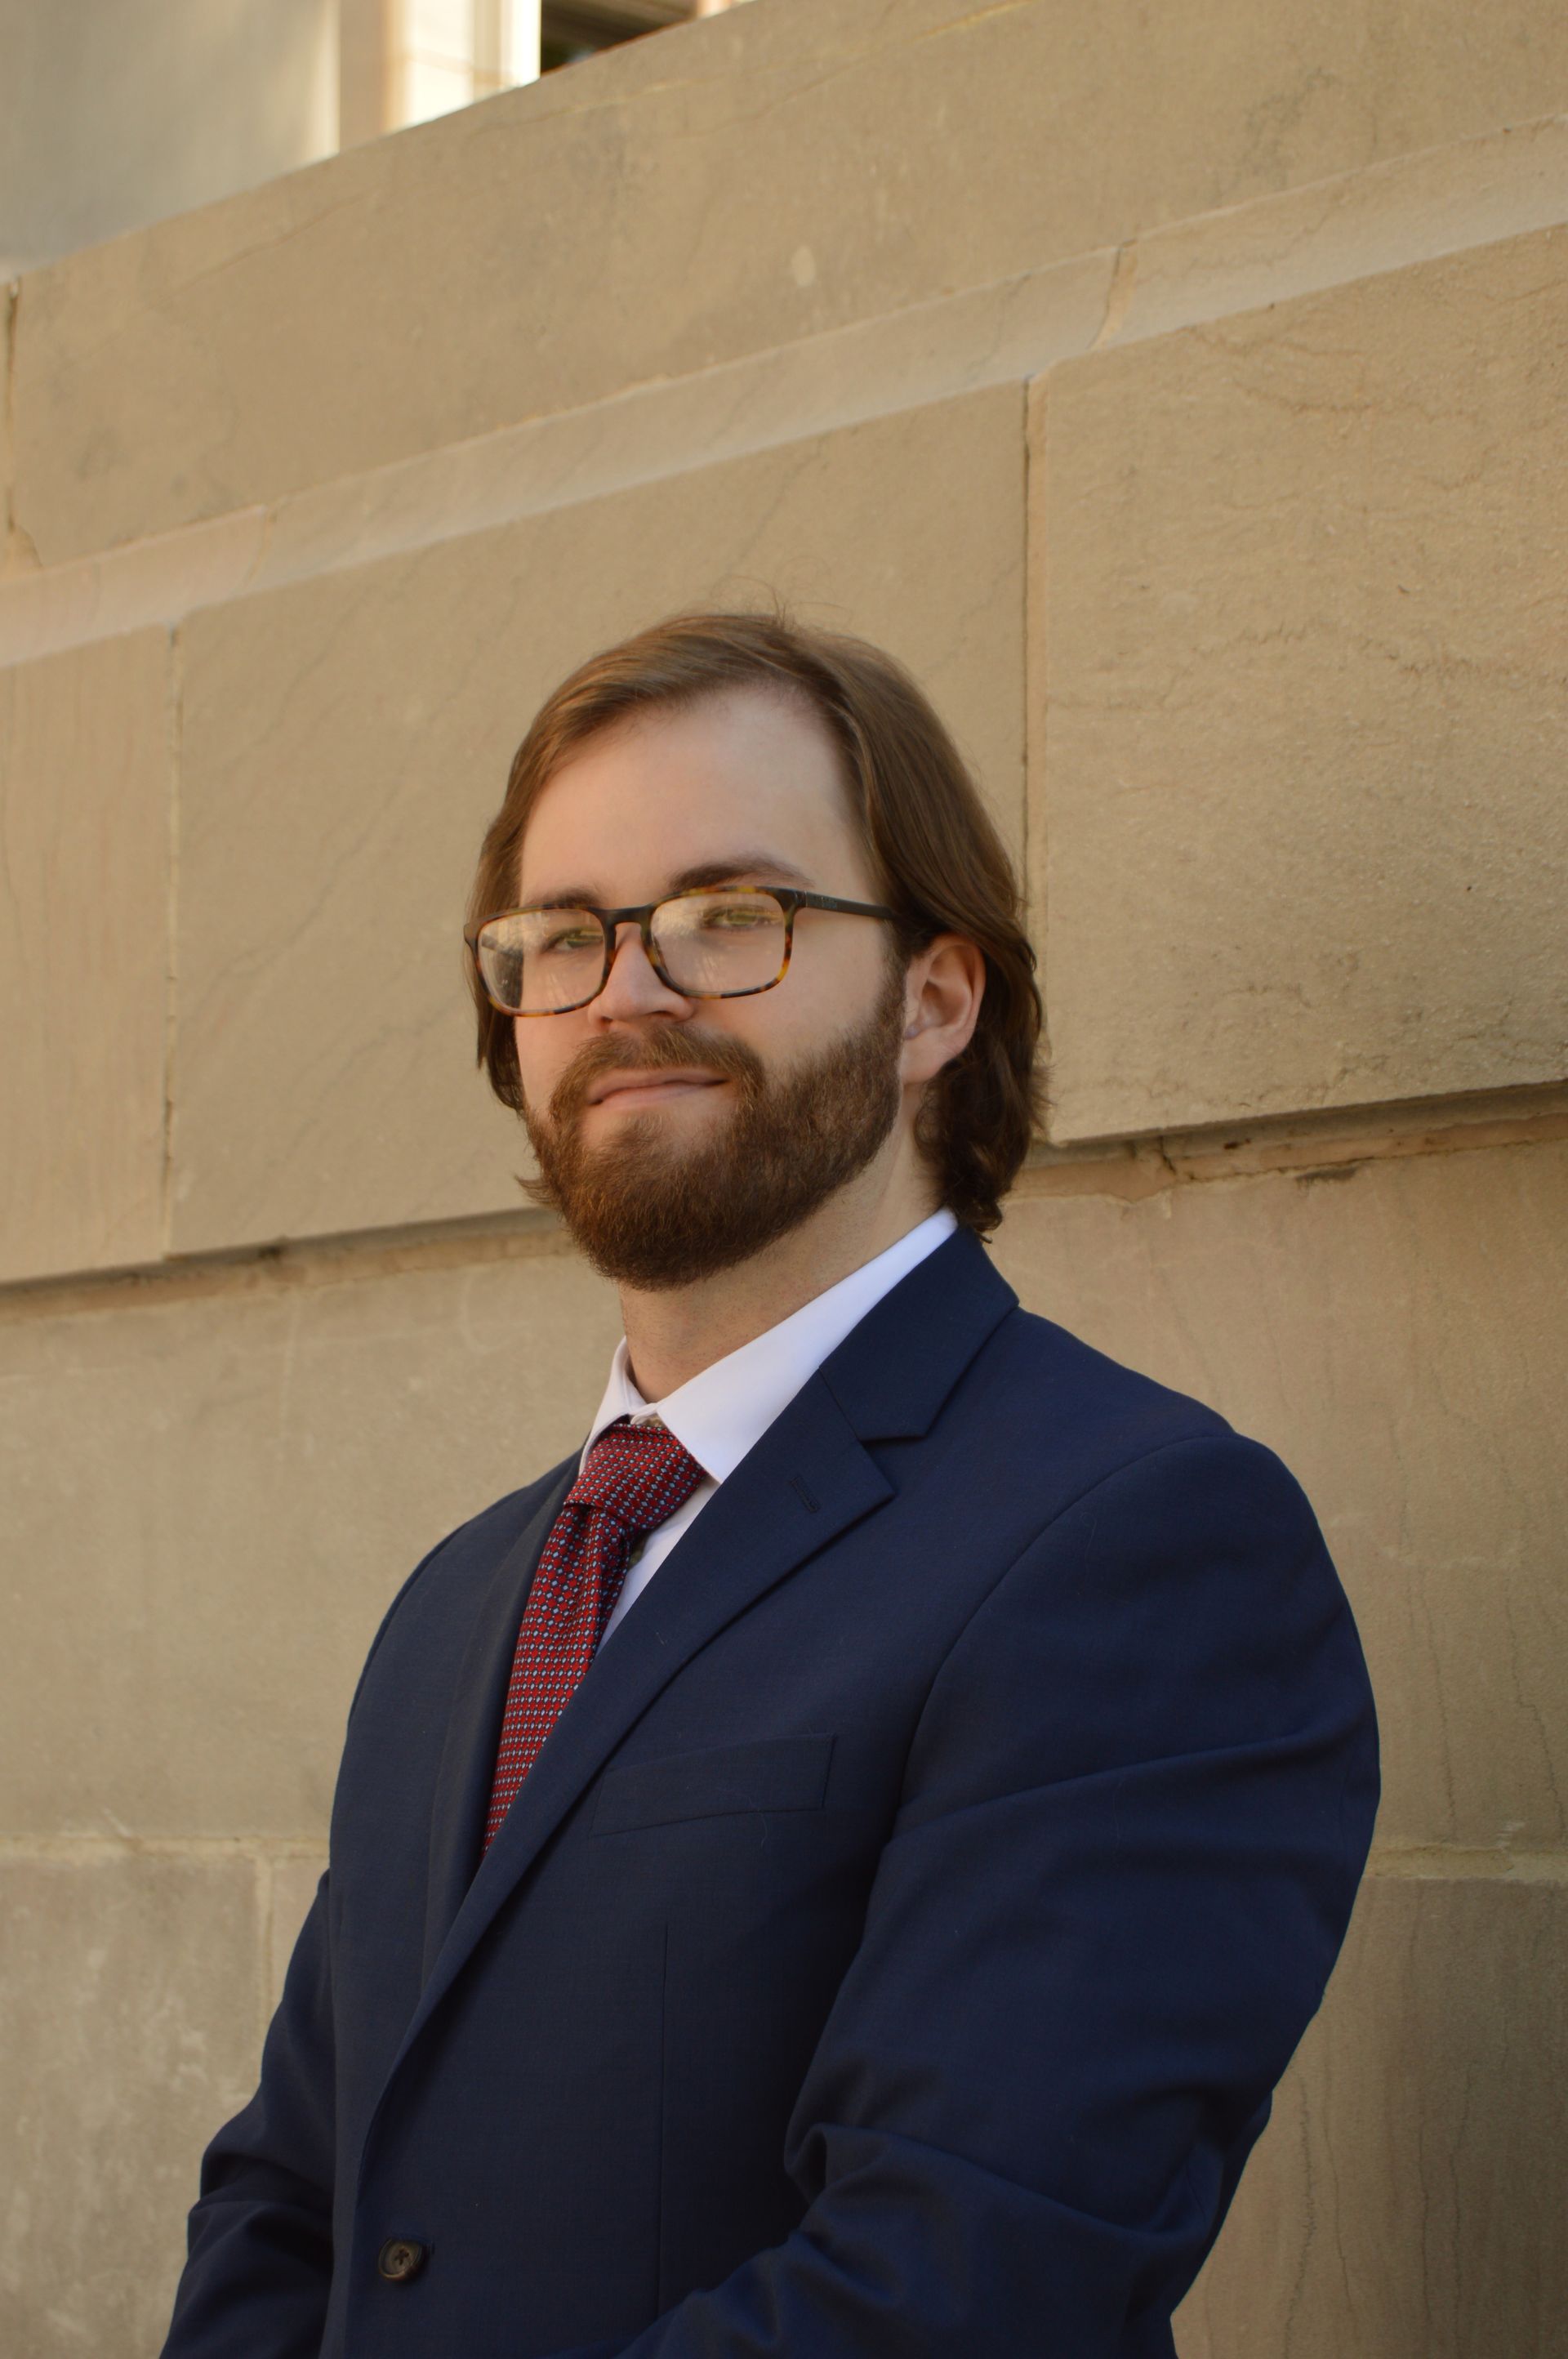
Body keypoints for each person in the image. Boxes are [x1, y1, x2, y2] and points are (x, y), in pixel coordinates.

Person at [161, 610, 1379, 2359]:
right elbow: (292, 2200)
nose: (626, 989)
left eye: (730, 918)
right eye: (561, 938)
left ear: (935, 1001)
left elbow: (955, 2284)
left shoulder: (1140, 1540)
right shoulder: (464, 1599)